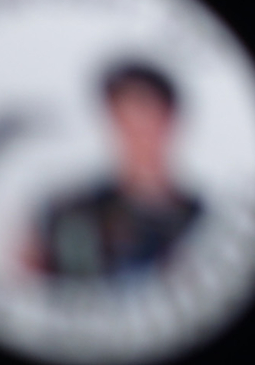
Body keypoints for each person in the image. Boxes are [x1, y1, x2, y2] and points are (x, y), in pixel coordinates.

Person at [28, 62, 203, 283]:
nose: (133, 130)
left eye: (143, 112)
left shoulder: (203, 221)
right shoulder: (74, 214)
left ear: (169, 119)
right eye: (121, 115)